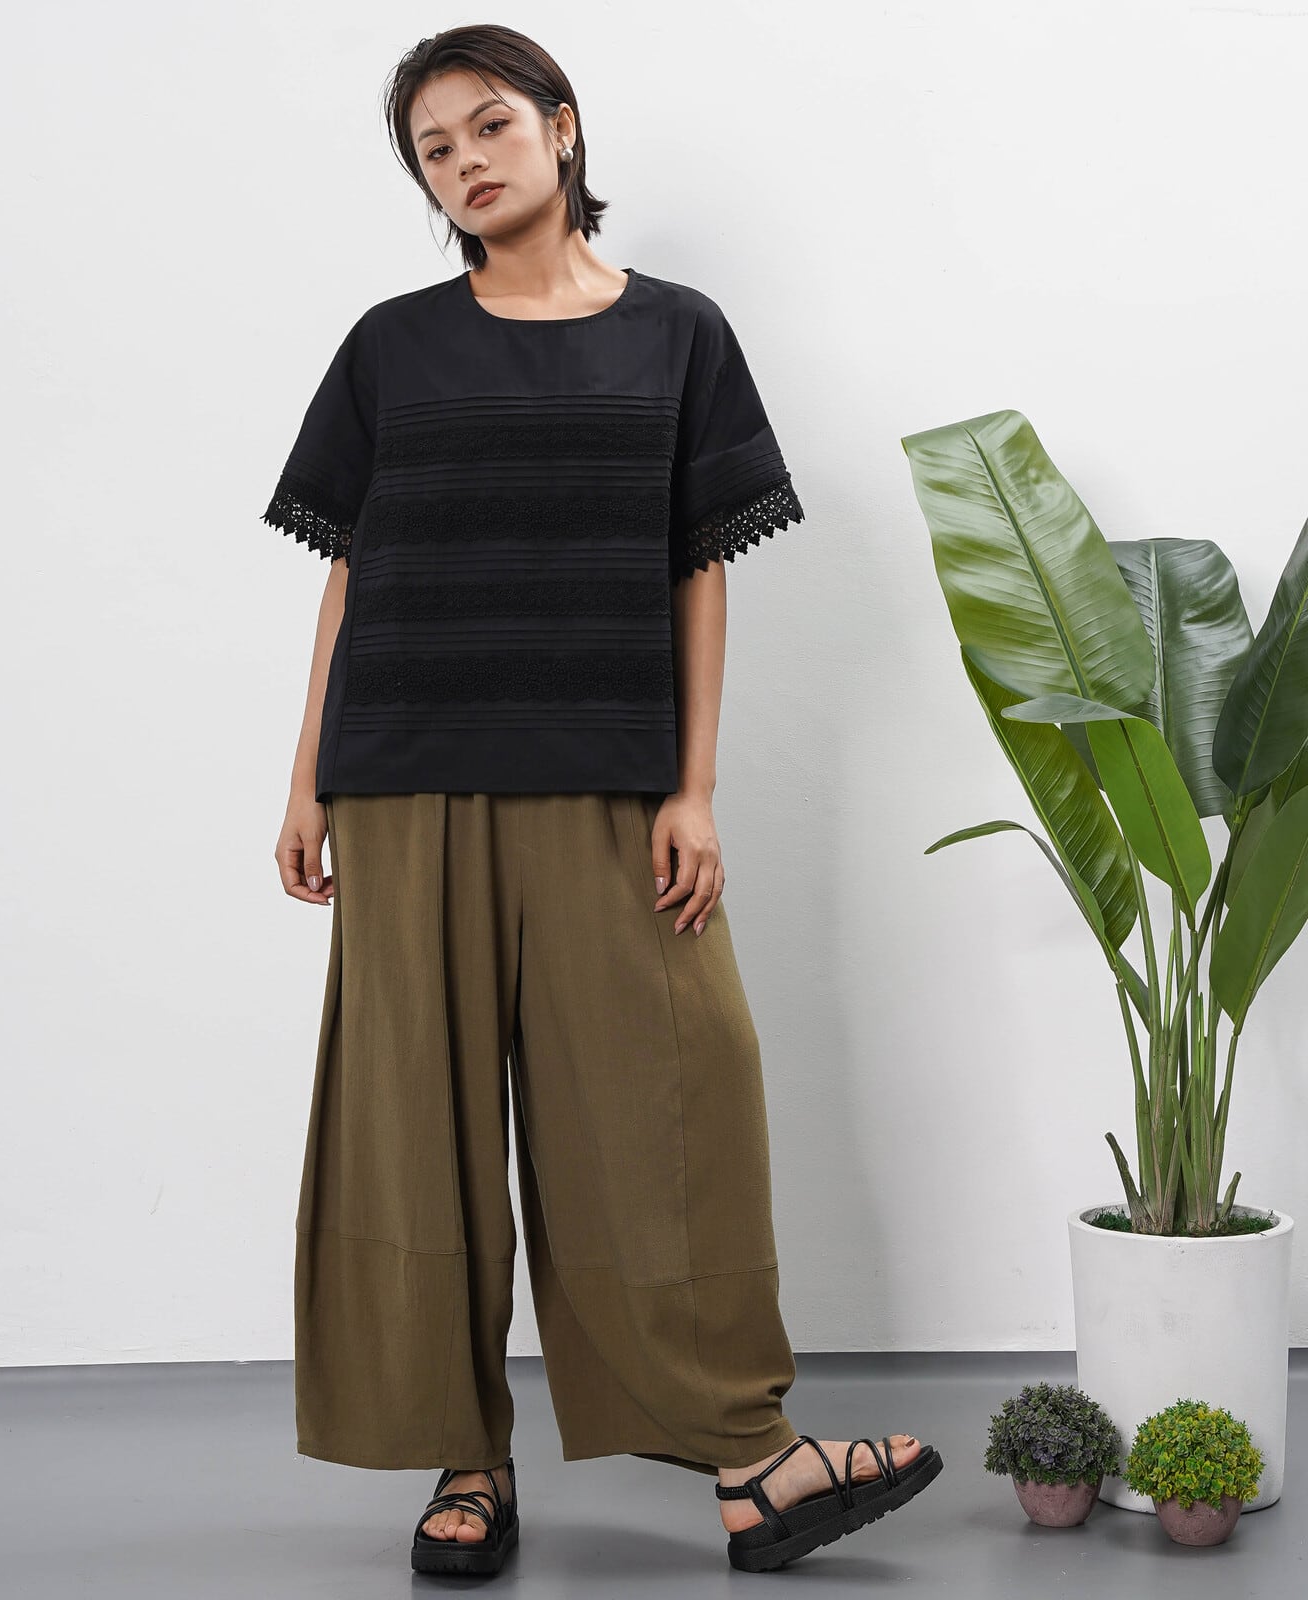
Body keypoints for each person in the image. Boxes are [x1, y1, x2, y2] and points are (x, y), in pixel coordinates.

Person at [262, 23, 942, 1578]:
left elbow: (700, 566)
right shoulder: (392, 346)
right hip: (407, 775)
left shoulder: (679, 336)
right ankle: (466, 1462)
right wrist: (305, 776)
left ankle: (752, 1461)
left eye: (489, 125)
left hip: (610, 778)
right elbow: (352, 570)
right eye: (435, 150)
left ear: (563, 127)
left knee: (675, 1095)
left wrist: (692, 786)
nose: (467, 162)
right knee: (419, 1124)